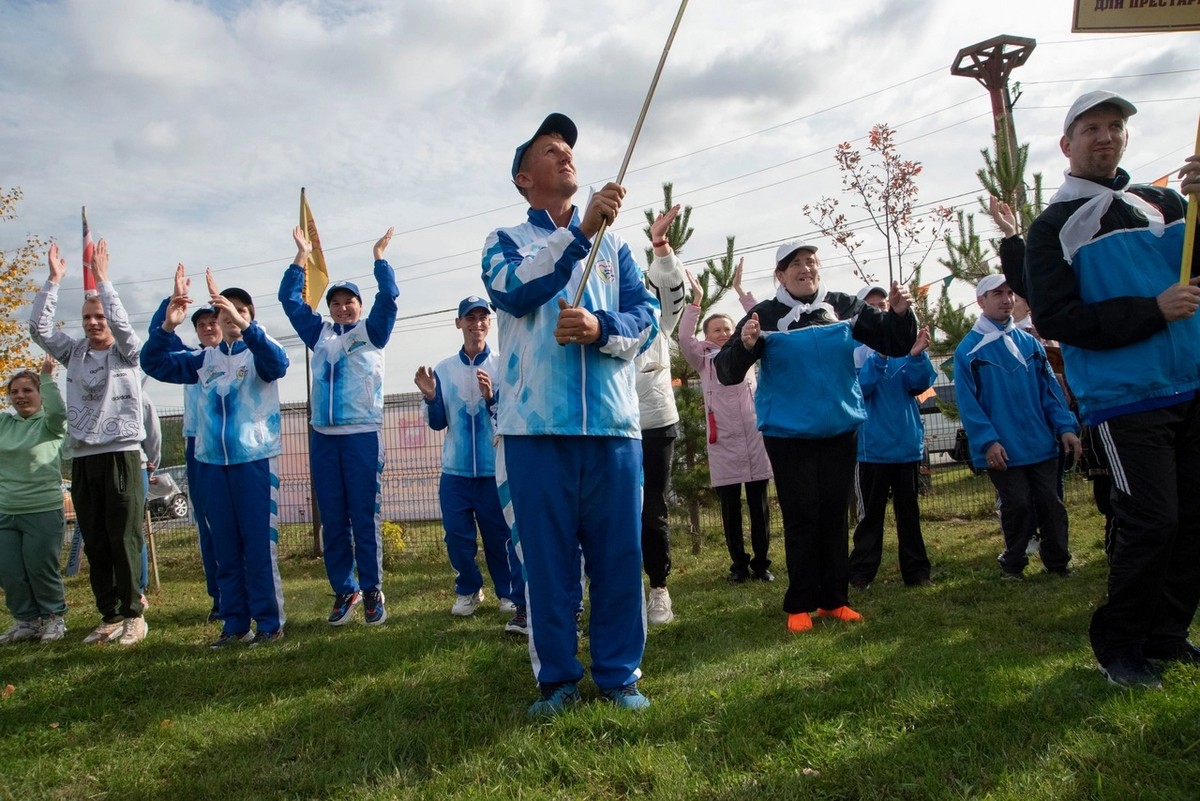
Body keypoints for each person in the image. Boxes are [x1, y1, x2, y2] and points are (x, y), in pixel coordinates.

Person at [481, 112, 658, 715]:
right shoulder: (505, 241)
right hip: (535, 432)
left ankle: (619, 676)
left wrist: (600, 326)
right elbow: (513, 289)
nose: (565, 155)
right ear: (523, 178)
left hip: (612, 428)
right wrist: (579, 233)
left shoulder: (617, 250)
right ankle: (556, 679)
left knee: (618, 557)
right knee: (549, 563)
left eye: (569, 149)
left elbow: (646, 317)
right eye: (550, 150)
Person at [1024, 90, 1200, 689]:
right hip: (1125, 401)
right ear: (1066, 144)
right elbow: (1056, 318)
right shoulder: (1051, 228)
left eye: (1116, 126)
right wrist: (1152, 310)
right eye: (1092, 127)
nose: (1106, 137)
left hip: (1192, 387)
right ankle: (1119, 646)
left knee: (1193, 521)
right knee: (1152, 523)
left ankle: (1168, 636)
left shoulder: (1167, 201)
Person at [715, 241, 917, 634]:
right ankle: (800, 603)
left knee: (834, 514)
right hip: (788, 435)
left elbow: (894, 342)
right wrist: (745, 344)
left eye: (811, 261)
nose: (806, 268)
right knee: (802, 514)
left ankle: (835, 600)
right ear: (780, 274)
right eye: (795, 264)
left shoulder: (844, 306)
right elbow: (727, 371)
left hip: (840, 429)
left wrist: (899, 313)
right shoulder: (764, 315)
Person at [141, 266, 289, 648]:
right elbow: (153, 363)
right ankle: (234, 624)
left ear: (250, 316)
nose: (230, 319)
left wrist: (248, 327)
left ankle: (269, 624)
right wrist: (166, 326)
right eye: (223, 315)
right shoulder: (202, 361)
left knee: (257, 547)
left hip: (254, 463)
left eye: (238, 313)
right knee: (224, 548)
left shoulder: (262, 353)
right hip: (210, 465)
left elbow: (279, 366)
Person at [29, 240, 148, 646]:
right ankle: (110, 614)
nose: (94, 323)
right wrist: (54, 280)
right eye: (87, 317)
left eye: (99, 316)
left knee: (124, 537)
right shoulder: (74, 353)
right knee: (95, 539)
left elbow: (122, 325)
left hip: (121, 454)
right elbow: (39, 330)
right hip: (84, 457)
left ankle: (135, 614)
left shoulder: (128, 352)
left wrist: (102, 280)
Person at [281, 227, 398, 627]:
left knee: (364, 518)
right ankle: (344, 590)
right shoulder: (320, 335)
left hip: (362, 436)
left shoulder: (373, 332)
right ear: (329, 308)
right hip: (324, 439)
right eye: (336, 303)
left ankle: (372, 590)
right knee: (333, 519)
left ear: (360, 306)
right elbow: (289, 301)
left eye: (350, 302)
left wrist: (380, 259)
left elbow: (390, 299)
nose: (343, 308)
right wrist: (302, 256)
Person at [954, 274, 1081, 581]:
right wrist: (987, 441)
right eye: (997, 293)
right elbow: (969, 405)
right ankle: (1013, 564)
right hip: (1003, 449)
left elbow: (1050, 391)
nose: (1006, 299)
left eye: (1009, 292)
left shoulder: (1030, 344)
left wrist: (1066, 427)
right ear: (981, 301)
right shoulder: (969, 350)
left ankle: (1058, 562)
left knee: (1051, 504)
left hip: (1040, 444)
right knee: (1018, 505)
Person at [414, 297, 525, 632]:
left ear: (489, 323)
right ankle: (468, 588)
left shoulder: (504, 364)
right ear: (458, 323)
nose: (477, 324)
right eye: (470, 318)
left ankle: (506, 592)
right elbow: (437, 423)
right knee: (457, 536)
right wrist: (432, 397)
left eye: (482, 318)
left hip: (495, 470)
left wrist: (493, 397)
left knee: (500, 536)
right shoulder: (444, 369)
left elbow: (510, 417)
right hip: (455, 471)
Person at [679, 261, 773, 584]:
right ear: (706, 336)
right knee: (730, 511)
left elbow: (764, 324)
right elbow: (683, 338)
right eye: (716, 329)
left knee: (760, 507)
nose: (723, 333)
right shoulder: (703, 361)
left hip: (754, 438)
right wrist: (696, 300)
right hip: (724, 444)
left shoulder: (747, 352)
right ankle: (738, 566)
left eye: (727, 328)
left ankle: (762, 564)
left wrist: (741, 293)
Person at [848, 282, 936, 590]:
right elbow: (858, 392)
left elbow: (919, 385)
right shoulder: (852, 350)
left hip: (906, 446)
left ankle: (917, 573)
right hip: (871, 450)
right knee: (870, 517)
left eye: (883, 306)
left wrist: (914, 356)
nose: (880, 311)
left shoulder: (903, 344)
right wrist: (881, 356)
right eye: (872, 307)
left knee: (909, 515)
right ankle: (860, 574)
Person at [148, 296, 224, 621]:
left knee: (234, 525)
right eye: (202, 324)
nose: (208, 327)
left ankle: (248, 594)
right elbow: (157, 339)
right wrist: (171, 301)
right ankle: (219, 599)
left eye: (213, 322)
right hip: (197, 445)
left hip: (231, 446)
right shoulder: (190, 358)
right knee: (207, 526)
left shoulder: (239, 356)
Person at [635, 204, 686, 625]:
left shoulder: (659, 320)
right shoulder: (600, 320)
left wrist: (660, 245)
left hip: (655, 427)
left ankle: (659, 589)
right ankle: (615, 588)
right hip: (610, 429)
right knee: (608, 513)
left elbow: (673, 285)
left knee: (652, 511)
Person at [0, 356, 69, 644]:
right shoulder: (4, 423)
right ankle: (26, 621)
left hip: (42, 509)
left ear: (40, 393)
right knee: (10, 572)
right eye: (14, 392)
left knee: (41, 568)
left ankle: (54, 618)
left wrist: (47, 376)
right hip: (6, 511)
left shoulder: (51, 425)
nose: (20, 396)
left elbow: (58, 410)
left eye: (28, 390)